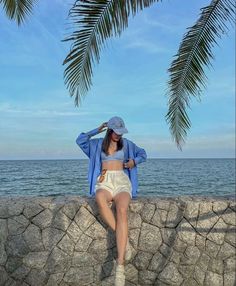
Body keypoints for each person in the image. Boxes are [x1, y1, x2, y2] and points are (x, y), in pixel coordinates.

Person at [76, 116, 147, 286]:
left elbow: (143, 154)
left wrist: (133, 162)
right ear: (109, 130)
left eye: (121, 132)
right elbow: (80, 140)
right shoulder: (97, 144)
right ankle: (123, 239)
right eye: (116, 132)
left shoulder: (127, 144)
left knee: (122, 210)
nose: (118, 135)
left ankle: (120, 268)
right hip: (105, 181)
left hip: (122, 181)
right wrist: (97, 129)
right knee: (100, 198)